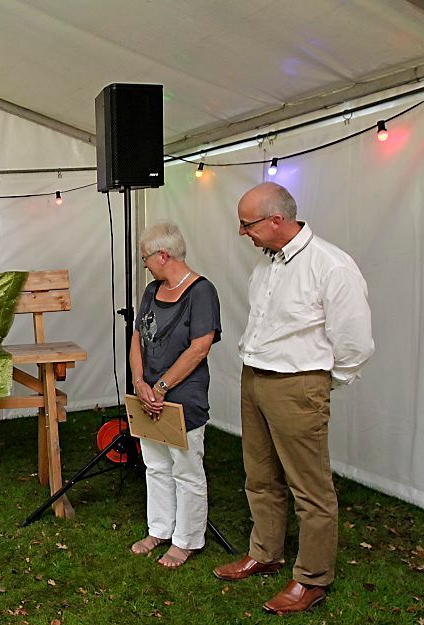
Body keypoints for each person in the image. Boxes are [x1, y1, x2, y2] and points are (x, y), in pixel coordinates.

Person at [213, 182, 374, 615]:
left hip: (298, 384)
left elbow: (355, 342)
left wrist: (319, 383)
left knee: (310, 488)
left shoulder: (331, 266)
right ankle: (265, 553)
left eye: (247, 225)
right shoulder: (267, 265)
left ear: (276, 220)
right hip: (255, 378)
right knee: (259, 474)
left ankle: (312, 578)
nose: (243, 233)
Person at [129, 222, 221, 569]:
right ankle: (160, 529)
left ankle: (186, 540)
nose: (145, 265)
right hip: (148, 395)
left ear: (163, 255)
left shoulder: (201, 292)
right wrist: (139, 381)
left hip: (183, 398)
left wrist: (162, 387)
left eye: (146, 259)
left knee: (186, 469)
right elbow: (138, 337)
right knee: (155, 465)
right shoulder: (152, 291)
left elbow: (199, 348)